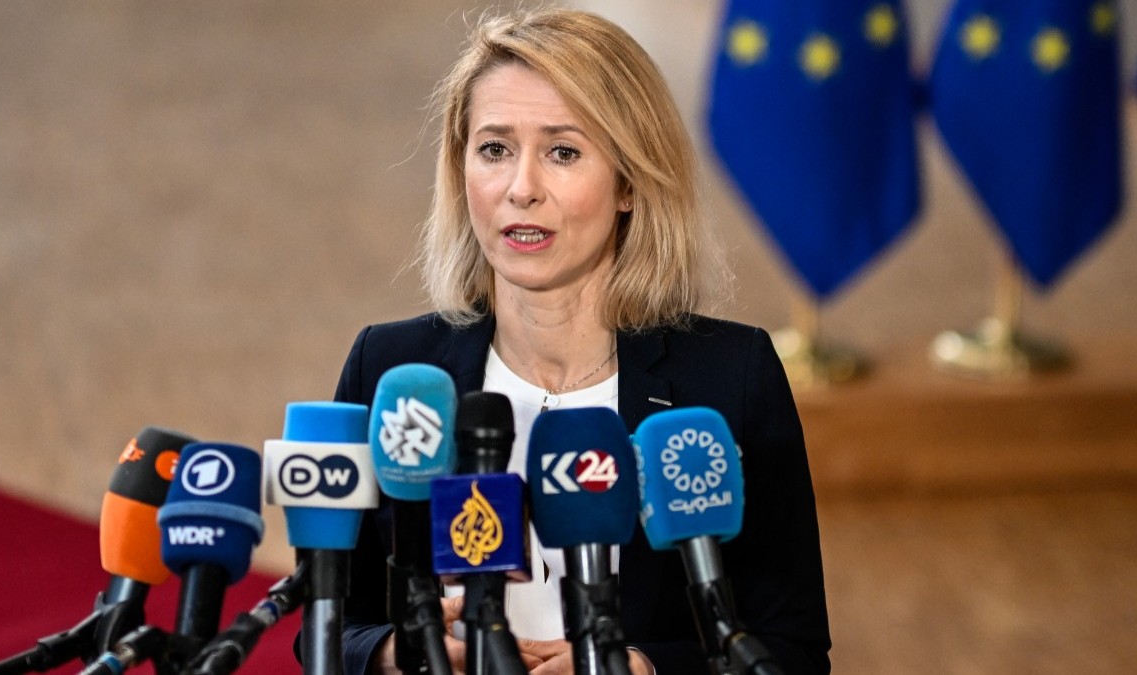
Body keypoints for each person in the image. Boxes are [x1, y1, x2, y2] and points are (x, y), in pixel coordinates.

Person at [333, 8, 830, 675]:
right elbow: (332, 622)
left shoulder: (729, 378)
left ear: (629, 181)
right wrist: (400, 652)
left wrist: (634, 668)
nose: (521, 188)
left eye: (563, 152)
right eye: (494, 149)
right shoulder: (391, 369)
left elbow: (791, 649)